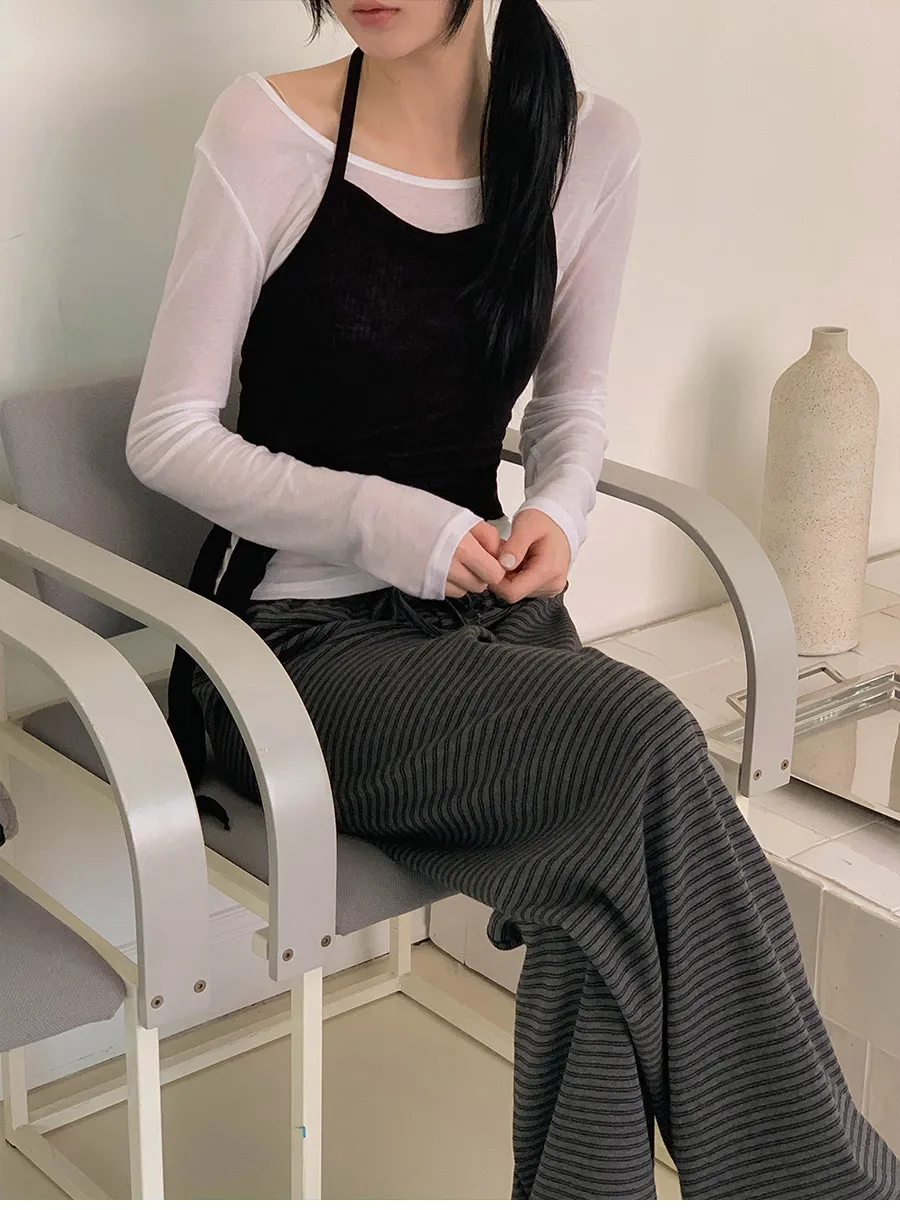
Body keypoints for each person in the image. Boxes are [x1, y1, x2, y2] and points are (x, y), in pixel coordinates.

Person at [127, 0, 900, 1198]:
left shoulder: (590, 147)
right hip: (292, 653)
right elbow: (166, 434)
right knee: (645, 741)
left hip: (488, 620)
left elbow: (570, 404)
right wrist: (391, 523)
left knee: (600, 901)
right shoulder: (263, 131)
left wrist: (562, 514)